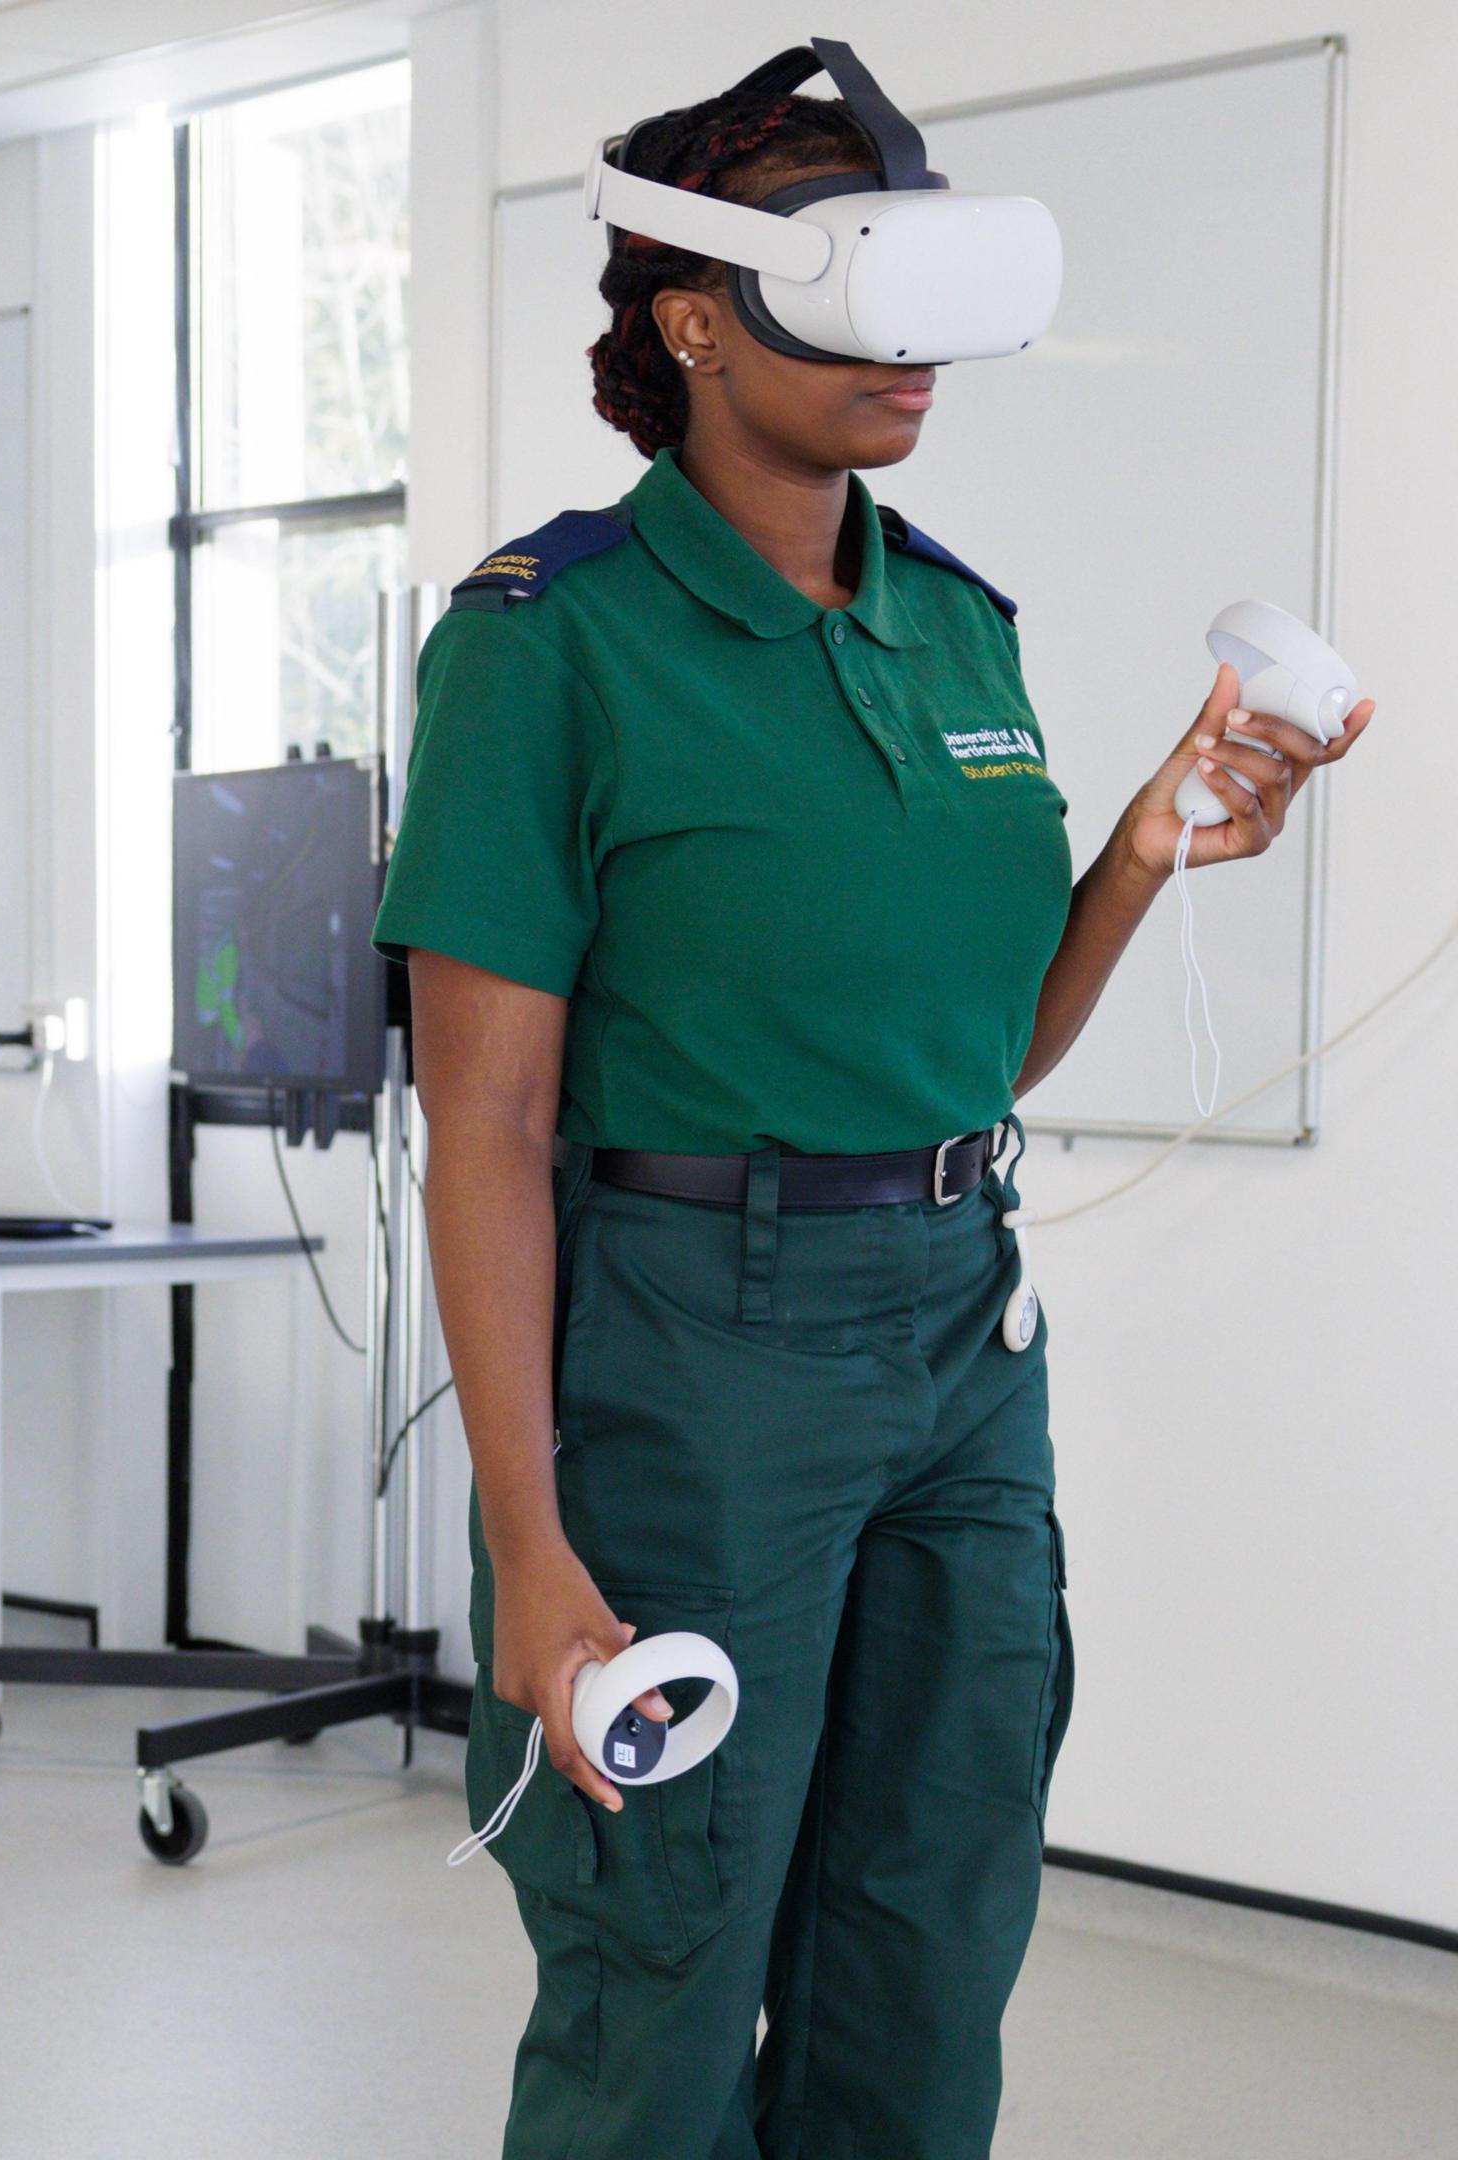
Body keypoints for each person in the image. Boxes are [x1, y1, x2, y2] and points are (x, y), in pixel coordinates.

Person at [382, 54, 1368, 2159]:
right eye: (858, 281)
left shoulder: (955, 626)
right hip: (695, 1350)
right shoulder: (549, 646)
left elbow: (981, 1056)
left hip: (960, 1335)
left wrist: (1139, 856)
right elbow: (480, 1125)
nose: (914, 347)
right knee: (668, 1953)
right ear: (696, 319)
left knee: (928, 1939)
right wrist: (528, 1542)